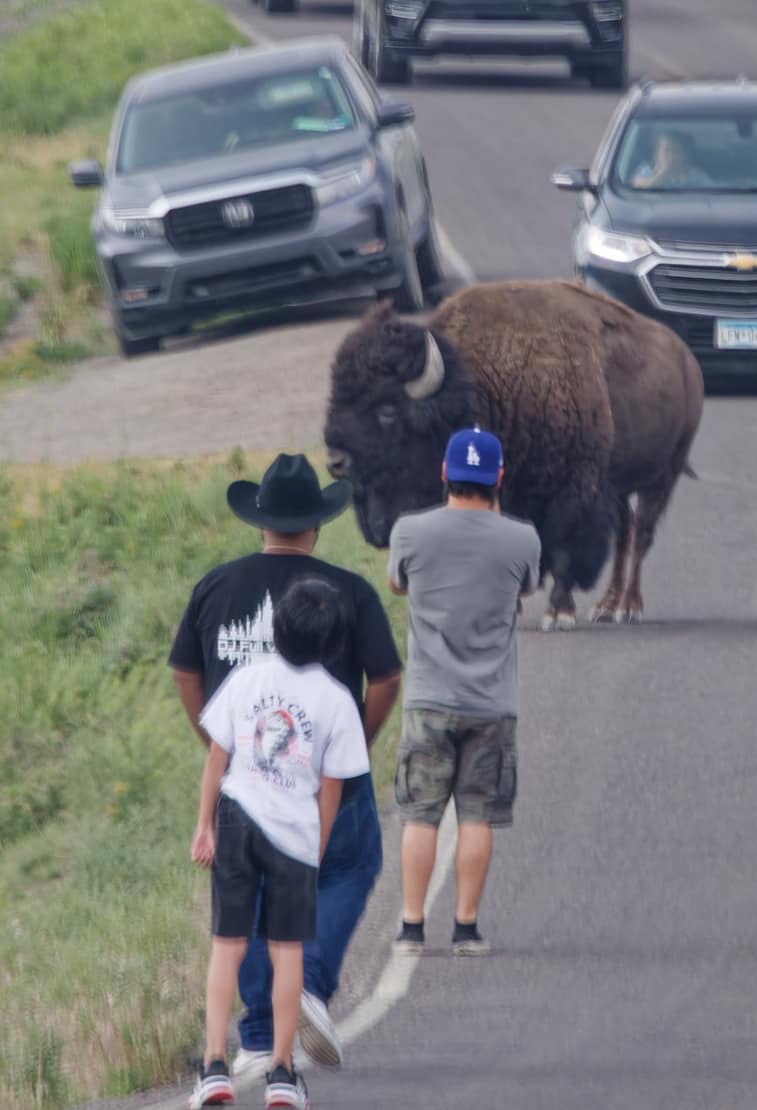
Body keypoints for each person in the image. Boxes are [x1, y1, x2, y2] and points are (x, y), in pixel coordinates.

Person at [171, 453, 403, 1079]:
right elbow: (385, 677)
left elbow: (185, 671)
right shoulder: (348, 592)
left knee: (242, 900)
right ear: (318, 525)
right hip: (328, 778)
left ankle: (251, 1032)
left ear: (261, 522)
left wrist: (217, 744)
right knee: (348, 868)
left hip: (244, 782)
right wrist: (354, 743)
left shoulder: (215, 586)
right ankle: (309, 987)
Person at [189, 576, 372, 1110]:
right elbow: (332, 790)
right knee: (286, 950)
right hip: (294, 834)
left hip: (237, 817)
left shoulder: (247, 679)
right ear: (333, 642)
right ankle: (282, 1073)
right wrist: (314, 852)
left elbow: (216, 757)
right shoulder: (337, 701)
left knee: (227, 944)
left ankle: (213, 1066)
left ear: (275, 628)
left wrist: (205, 824)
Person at [386, 427, 541, 958]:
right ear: (499, 477)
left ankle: (410, 927)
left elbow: (397, 584)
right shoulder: (523, 539)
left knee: (420, 814)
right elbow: (526, 589)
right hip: (492, 704)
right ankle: (466, 927)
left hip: (429, 699)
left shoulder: (410, 532)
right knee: (476, 816)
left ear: (444, 473)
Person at [628, 130, 704, 189]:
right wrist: (663, 173)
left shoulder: (695, 176)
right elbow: (636, 185)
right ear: (657, 153)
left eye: (676, 151)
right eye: (667, 150)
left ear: (684, 155)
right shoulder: (647, 170)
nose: (671, 155)